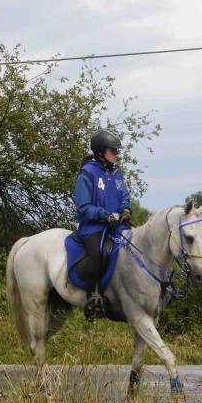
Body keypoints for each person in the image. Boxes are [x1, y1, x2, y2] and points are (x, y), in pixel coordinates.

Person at [73, 128, 132, 318]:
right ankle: (93, 296)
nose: (116, 154)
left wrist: (125, 210)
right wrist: (105, 215)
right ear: (100, 151)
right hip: (93, 227)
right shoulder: (87, 173)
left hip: (116, 226)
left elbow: (124, 196)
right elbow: (83, 206)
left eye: (116, 151)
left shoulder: (116, 174)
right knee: (98, 254)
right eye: (112, 150)